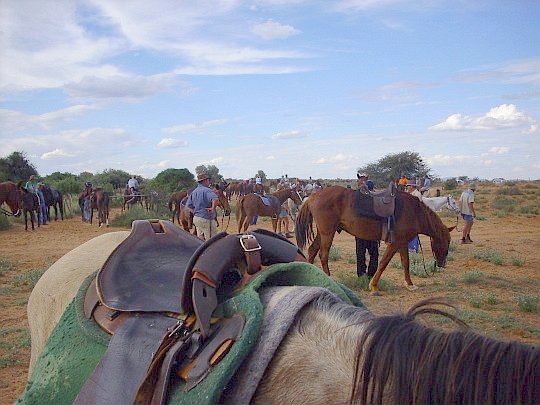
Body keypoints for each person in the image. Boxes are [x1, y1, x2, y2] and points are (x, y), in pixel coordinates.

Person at [186, 172, 220, 241]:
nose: (209, 182)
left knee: (201, 240)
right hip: (206, 218)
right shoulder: (207, 190)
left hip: (197, 219)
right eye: (208, 180)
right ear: (204, 181)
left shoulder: (194, 191)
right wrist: (212, 208)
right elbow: (215, 199)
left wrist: (194, 212)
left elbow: (188, 205)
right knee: (211, 241)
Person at [407, 180, 422, 253]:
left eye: (408, 186)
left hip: (414, 216)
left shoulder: (416, 194)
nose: (407, 187)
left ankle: (413, 247)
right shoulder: (412, 193)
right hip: (410, 216)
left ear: (412, 186)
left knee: (413, 232)